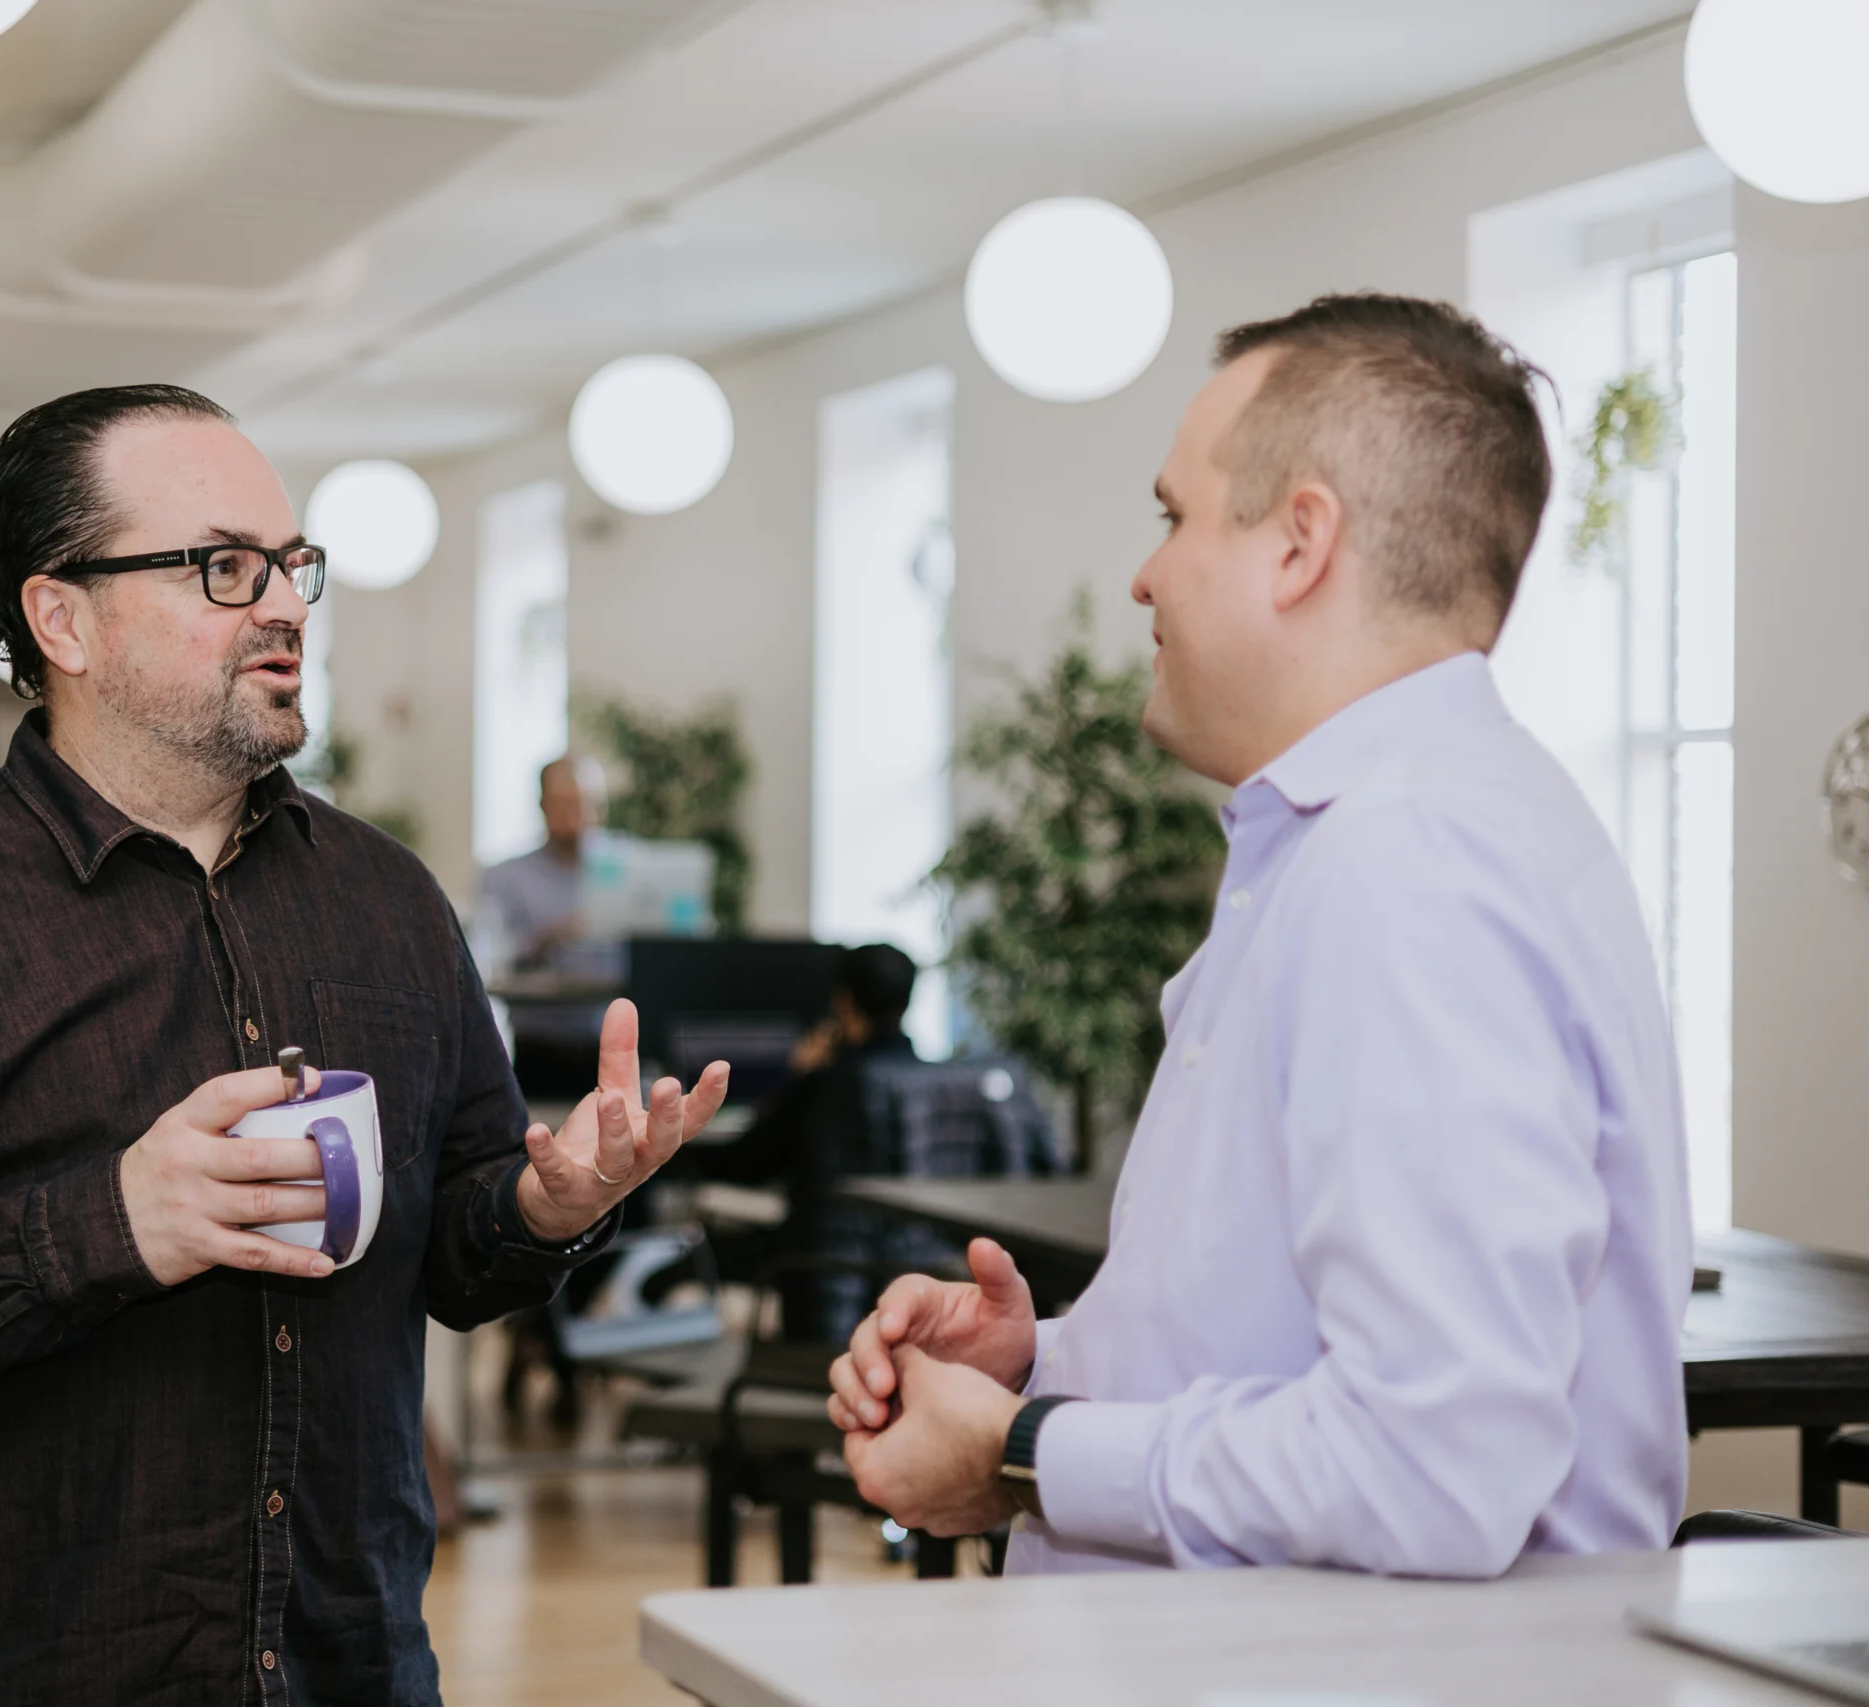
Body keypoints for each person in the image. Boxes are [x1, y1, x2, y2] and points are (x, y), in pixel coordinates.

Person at [0, 383, 729, 1705]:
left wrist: (542, 1202)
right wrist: (106, 1222)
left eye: (292, 564)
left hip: (357, 1666)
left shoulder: (388, 897)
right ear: (61, 614)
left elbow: (458, 1250)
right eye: (226, 567)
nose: (285, 604)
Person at [829, 294, 1691, 1578]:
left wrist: (1023, 1449)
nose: (1144, 574)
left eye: (1174, 516)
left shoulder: (1412, 861)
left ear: (1299, 545)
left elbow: (1433, 1466)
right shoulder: (1397, 830)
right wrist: (1046, 1366)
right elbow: (1278, 1337)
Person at [698, 943, 922, 1343]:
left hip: (819, 1284)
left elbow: (743, 1165)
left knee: (677, 1261)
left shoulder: (825, 1085)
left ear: (843, 1001)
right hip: (912, 1280)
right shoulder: (932, 1086)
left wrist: (797, 1076)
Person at [476, 755, 618, 982]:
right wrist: (549, 939)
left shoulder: (630, 868)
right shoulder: (504, 877)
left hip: (621, 1010)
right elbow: (490, 958)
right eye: (565, 805)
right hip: (538, 1014)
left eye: (584, 805)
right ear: (543, 805)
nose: (576, 818)